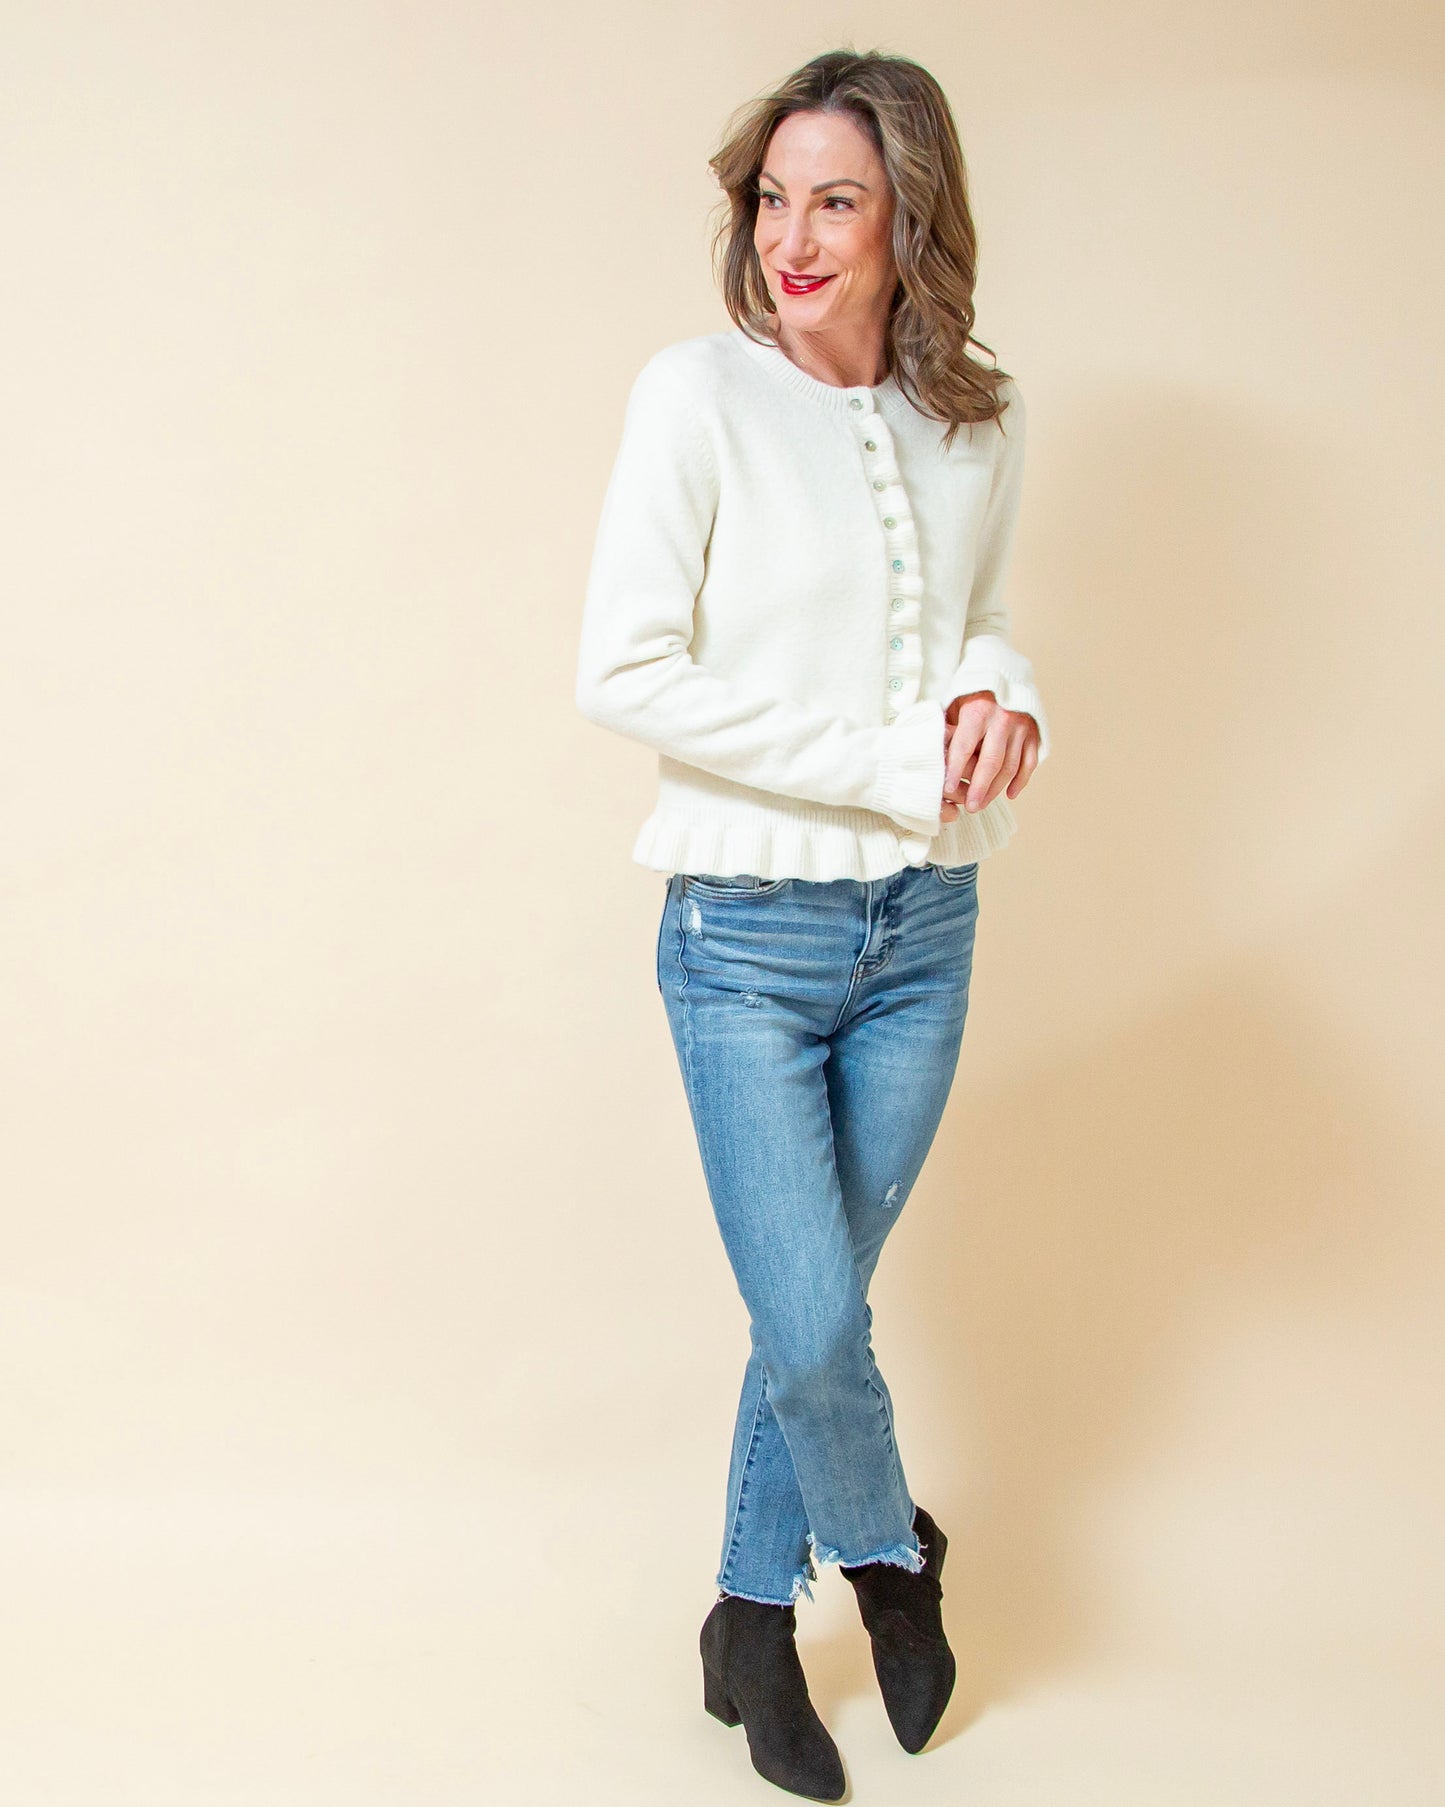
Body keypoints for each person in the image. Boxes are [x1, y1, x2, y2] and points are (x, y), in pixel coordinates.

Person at [574, 47, 1051, 1803]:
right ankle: (887, 1555)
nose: (790, 237)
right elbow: (621, 668)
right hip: (746, 942)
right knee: (808, 1318)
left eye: (833, 200)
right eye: (772, 199)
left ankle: (745, 1619)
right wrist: (880, 763)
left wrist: (1004, 696)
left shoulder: (975, 416)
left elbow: (977, 617)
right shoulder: (695, 397)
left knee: (818, 1308)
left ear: (908, 216)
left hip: (926, 930)